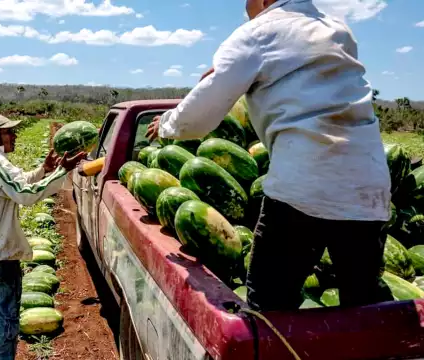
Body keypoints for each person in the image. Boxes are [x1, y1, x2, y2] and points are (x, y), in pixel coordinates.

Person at [146, 0, 393, 311]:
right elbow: (305, 81)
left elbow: (200, 116)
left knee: (269, 305)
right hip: (369, 192)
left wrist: (167, 124)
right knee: (365, 308)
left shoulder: (257, 33)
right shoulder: (337, 30)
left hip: (302, 188)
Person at [0, 114, 85, 359]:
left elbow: (15, 183)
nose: (14, 136)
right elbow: (24, 194)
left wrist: (44, 170)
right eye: (8, 132)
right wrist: (61, 172)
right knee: (8, 315)